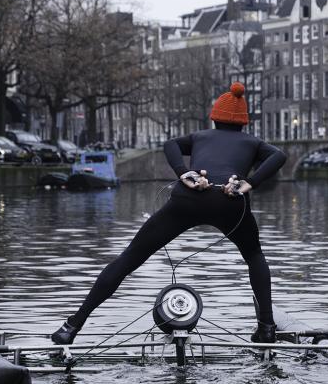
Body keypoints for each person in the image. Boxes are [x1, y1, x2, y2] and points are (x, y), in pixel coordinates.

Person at [51, 82, 287, 344]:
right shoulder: (252, 142)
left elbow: (170, 144)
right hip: (230, 201)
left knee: (129, 258)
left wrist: (183, 173)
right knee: (254, 255)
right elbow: (278, 156)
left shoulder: (200, 137)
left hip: (189, 198)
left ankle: (72, 327)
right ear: (244, 122)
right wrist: (249, 183)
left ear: (214, 118)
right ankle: (266, 327)